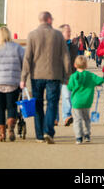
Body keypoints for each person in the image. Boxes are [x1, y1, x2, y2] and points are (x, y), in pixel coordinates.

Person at [20, 12, 71, 143]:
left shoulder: (32, 35)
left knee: (38, 104)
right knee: (52, 103)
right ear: (49, 20)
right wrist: (67, 76)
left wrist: (23, 78)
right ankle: (48, 131)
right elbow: (66, 57)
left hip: (36, 75)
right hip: (54, 75)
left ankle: (39, 135)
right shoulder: (58, 35)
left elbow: (27, 58)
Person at [67, 55, 104, 144]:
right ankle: (87, 134)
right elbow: (101, 80)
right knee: (87, 118)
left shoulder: (73, 76)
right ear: (86, 66)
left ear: (75, 65)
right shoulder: (90, 75)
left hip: (76, 101)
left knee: (77, 119)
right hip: (87, 101)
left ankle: (79, 137)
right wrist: (95, 84)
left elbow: (70, 87)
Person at [55, 24, 78, 126]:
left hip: (68, 76)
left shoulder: (73, 46)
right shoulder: (54, 45)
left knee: (67, 96)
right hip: (55, 75)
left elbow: (76, 61)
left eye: (70, 31)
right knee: (54, 98)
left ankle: (67, 116)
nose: (70, 33)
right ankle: (54, 118)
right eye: (67, 31)